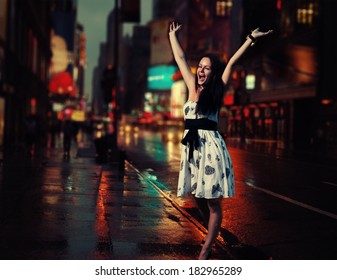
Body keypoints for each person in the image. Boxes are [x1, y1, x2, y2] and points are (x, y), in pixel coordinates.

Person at [169, 22, 272, 259]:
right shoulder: (191, 88)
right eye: (200, 67)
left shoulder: (217, 90)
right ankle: (211, 234)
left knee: (213, 202)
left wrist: (250, 38)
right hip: (193, 150)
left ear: (214, 73)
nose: (201, 71)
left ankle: (206, 249)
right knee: (198, 199)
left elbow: (233, 61)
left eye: (207, 68)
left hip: (210, 149)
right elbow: (181, 59)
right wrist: (173, 36)